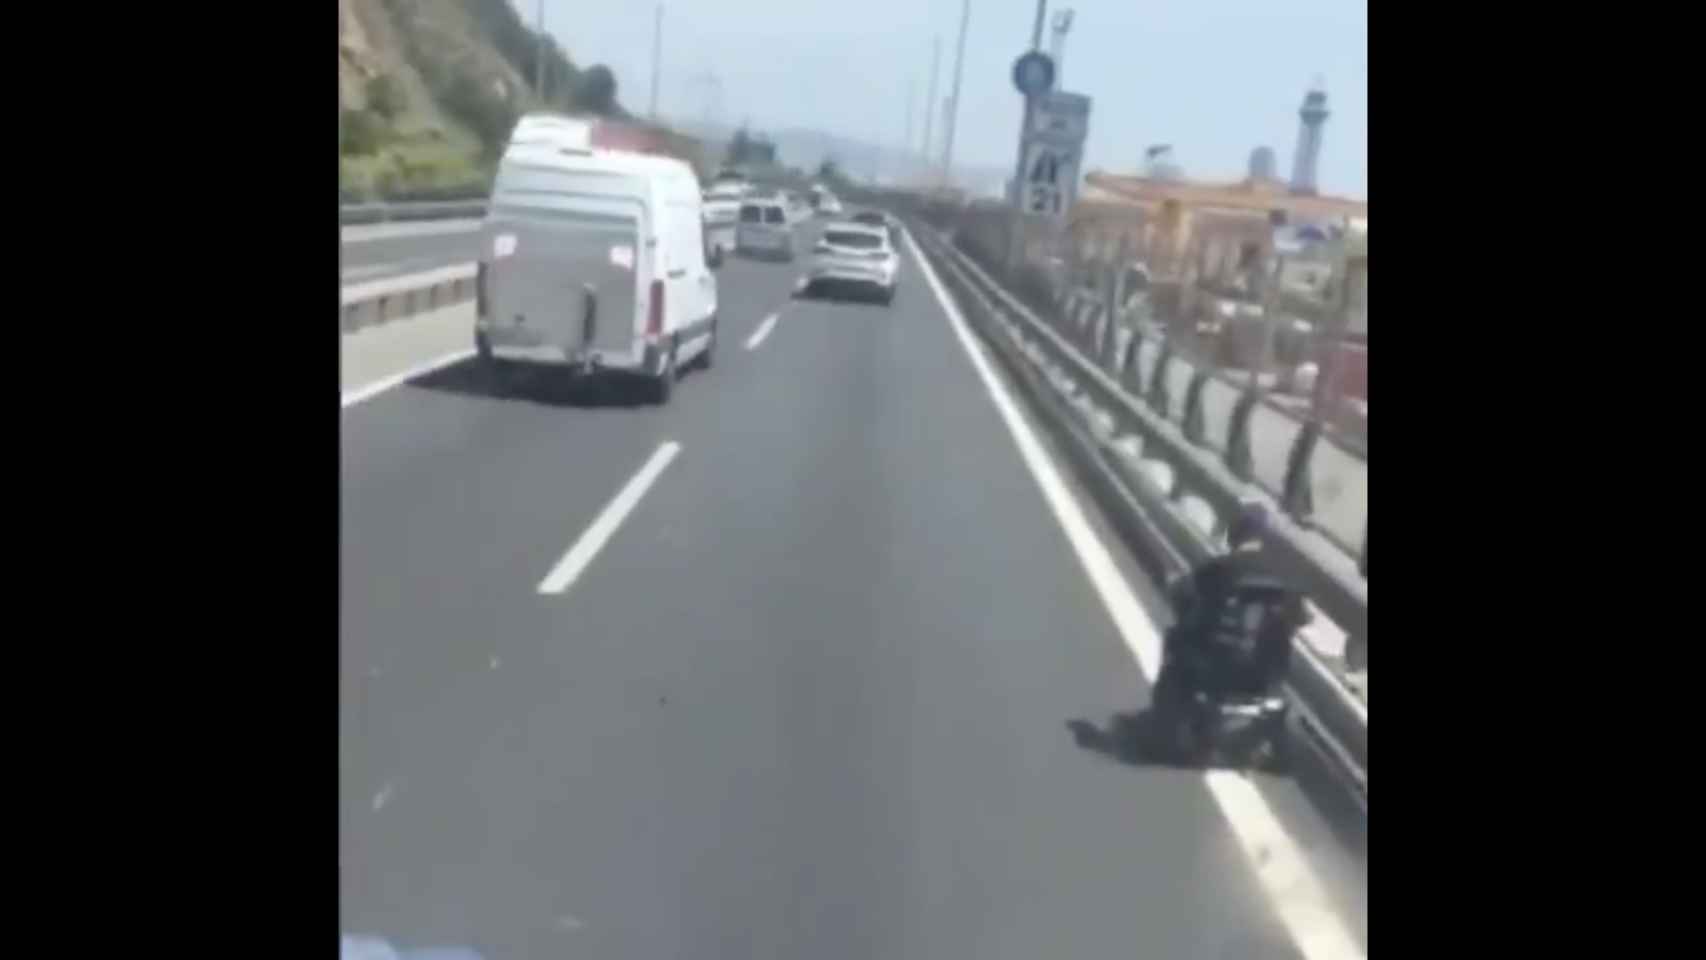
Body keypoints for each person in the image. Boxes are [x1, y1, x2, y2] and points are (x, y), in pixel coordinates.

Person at [1152, 502, 1311, 716]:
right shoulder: (1285, 577)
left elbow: (1181, 594)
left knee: (1175, 639)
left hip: (1211, 670)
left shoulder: (1218, 568)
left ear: (1235, 532)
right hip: (1261, 678)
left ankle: (1164, 715)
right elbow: (1303, 619)